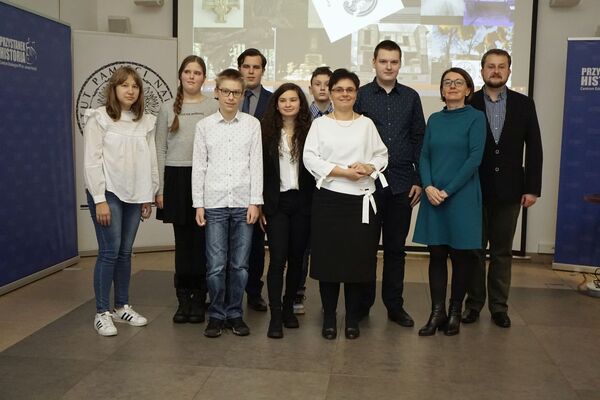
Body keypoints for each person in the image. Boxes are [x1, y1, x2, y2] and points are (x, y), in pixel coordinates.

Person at [304, 68, 388, 340]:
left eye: (349, 90)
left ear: (356, 94)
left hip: (361, 201)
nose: (344, 94)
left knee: (357, 263)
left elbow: (382, 154)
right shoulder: (320, 125)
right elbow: (310, 158)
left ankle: (352, 318)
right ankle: (329, 317)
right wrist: (342, 172)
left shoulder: (366, 124)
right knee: (329, 263)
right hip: (329, 200)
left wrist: (369, 167)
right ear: (330, 93)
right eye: (338, 89)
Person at [462, 49, 543, 328]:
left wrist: (532, 188)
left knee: (502, 252)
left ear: (509, 70)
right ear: (482, 70)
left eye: (501, 66)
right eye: (490, 66)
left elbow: (535, 148)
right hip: (474, 189)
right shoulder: (469, 102)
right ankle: (473, 305)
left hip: (510, 190)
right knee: (473, 250)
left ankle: (499, 307)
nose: (496, 71)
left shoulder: (524, 104)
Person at [354, 40, 425, 327]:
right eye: (383, 61)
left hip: (401, 185)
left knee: (396, 250)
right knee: (365, 249)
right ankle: (362, 306)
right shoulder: (360, 96)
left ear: (400, 64)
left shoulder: (411, 97)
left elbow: (419, 138)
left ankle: (395, 306)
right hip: (367, 186)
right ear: (373, 62)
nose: (388, 66)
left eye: (394, 62)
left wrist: (419, 179)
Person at [83, 66, 158, 336]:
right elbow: (92, 162)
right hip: (108, 193)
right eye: (124, 85)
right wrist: (99, 199)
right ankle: (102, 312)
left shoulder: (145, 122)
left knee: (125, 252)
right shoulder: (99, 118)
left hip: (136, 193)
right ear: (113, 89)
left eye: (135, 86)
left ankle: (121, 306)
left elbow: (150, 159)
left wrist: (148, 194)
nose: (130, 90)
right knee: (109, 252)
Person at [413, 68, 486, 336]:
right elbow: (424, 156)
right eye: (447, 82)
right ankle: (437, 313)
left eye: (458, 82)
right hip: (434, 195)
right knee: (436, 254)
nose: (452, 86)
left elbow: (474, 159)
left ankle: (455, 312)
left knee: (461, 256)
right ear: (442, 90)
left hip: (462, 196)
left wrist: (447, 190)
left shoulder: (476, 118)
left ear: (468, 89)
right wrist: (428, 186)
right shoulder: (435, 119)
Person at [192, 68, 263, 338]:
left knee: (240, 265)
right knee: (216, 265)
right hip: (214, 202)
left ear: (243, 95)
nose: (231, 97)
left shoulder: (252, 125)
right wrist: (199, 203)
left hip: (244, 202)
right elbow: (199, 167)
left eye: (236, 92)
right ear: (217, 93)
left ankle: (235, 313)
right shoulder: (204, 126)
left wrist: (255, 202)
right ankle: (216, 314)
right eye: (226, 91)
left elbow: (256, 166)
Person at [155, 55, 218, 324]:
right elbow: (160, 148)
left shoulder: (213, 106)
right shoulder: (166, 108)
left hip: (204, 178)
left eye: (197, 72)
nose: (192, 76)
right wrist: (160, 189)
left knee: (202, 242)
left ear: (204, 78)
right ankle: (184, 300)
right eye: (188, 72)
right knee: (183, 244)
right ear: (180, 75)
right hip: (176, 179)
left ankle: (200, 299)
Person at [259, 83, 314, 338]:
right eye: (283, 100)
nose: (288, 104)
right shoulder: (266, 133)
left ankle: (290, 307)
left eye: (293, 99)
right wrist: (259, 204)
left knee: (297, 259)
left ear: (301, 103)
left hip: (303, 203)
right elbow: (259, 171)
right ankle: (276, 315)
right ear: (276, 104)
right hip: (276, 203)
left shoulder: (311, 132)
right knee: (278, 259)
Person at [294, 66, 334, 315]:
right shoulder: (300, 116)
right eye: (317, 84)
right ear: (310, 88)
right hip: (304, 187)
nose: (322, 88)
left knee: (328, 244)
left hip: (331, 186)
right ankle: (297, 292)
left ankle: (329, 299)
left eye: (327, 84)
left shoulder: (340, 117)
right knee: (302, 244)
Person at [237, 48, 273, 312]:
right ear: (239, 68)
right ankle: (227, 291)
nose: (251, 71)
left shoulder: (273, 101)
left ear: (263, 70)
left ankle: (254, 291)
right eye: (246, 66)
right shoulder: (227, 98)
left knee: (256, 243)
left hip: (262, 178)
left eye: (256, 67)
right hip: (231, 178)